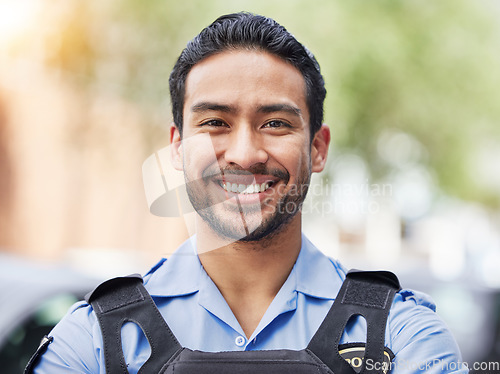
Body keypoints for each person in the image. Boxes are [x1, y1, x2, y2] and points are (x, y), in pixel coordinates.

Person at [27, 12, 468, 374]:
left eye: (275, 123)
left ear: (317, 148)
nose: (244, 154)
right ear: (178, 148)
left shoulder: (401, 336)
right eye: (215, 122)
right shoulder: (94, 343)